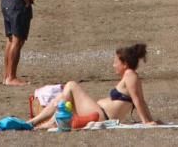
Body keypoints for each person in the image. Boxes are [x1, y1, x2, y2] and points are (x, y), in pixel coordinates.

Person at [27, 44, 156, 128]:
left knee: (71, 86)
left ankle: (38, 122)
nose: (113, 65)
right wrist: (150, 120)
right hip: (99, 113)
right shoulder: (132, 76)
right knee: (63, 97)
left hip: (101, 116)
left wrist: (146, 122)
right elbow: (140, 100)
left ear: (125, 64)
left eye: (116, 62)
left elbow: (138, 100)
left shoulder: (130, 75)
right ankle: (37, 123)